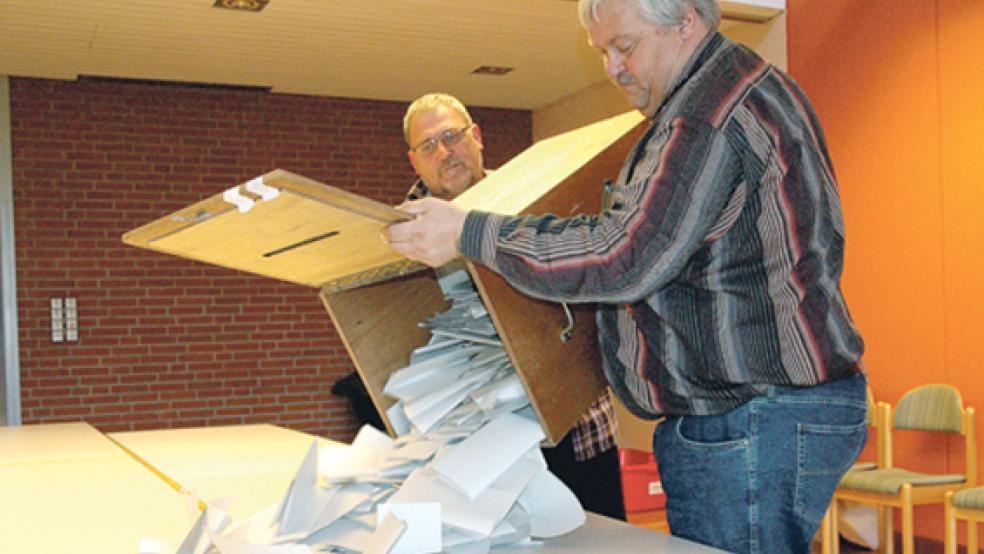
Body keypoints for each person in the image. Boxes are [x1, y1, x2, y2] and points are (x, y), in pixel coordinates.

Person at [385, 1, 867, 552]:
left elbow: (624, 256)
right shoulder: (736, 91)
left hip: (750, 416)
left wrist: (472, 234)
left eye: (625, 46)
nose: (612, 67)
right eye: (602, 52)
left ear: (684, 20)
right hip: (762, 411)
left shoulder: (707, 115)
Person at [401, 92, 626, 521]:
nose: (445, 152)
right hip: (474, 448)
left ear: (478, 137)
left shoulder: (535, 198)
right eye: (428, 145)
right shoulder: (400, 239)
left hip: (576, 431)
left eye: (452, 136)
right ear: (414, 161)